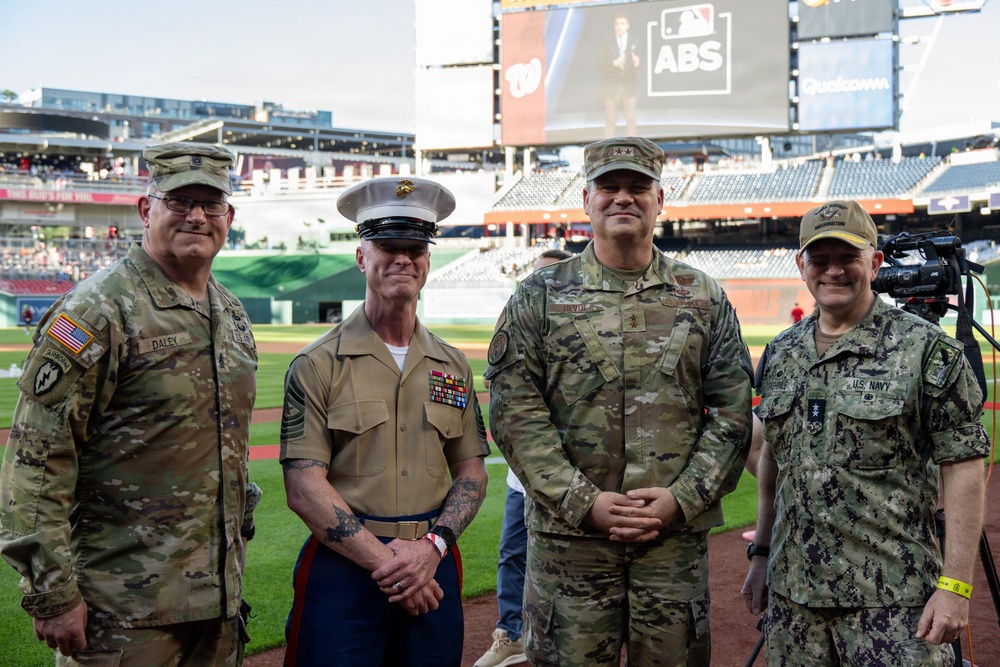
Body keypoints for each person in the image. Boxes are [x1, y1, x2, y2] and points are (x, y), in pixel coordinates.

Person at [485, 137, 753, 666]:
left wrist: (683, 498)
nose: (622, 199)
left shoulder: (702, 296)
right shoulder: (537, 297)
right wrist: (583, 502)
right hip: (570, 545)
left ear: (660, 199)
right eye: (609, 188)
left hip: (670, 543)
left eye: (637, 188)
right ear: (586, 199)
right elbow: (516, 415)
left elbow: (732, 414)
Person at [0, 142, 260, 665]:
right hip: (121, 614)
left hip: (217, 608)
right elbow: (36, 463)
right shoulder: (97, 310)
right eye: (179, 200)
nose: (196, 216)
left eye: (211, 205)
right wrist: (53, 594)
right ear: (147, 210)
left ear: (228, 216)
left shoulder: (230, 312)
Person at [741, 200, 989, 666]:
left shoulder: (925, 349)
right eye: (820, 258)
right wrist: (761, 553)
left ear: (874, 262)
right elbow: (774, 459)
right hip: (794, 602)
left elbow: (964, 466)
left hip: (893, 602)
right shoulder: (780, 352)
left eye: (848, 257)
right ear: (802, 266)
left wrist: (956, 585)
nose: (833, 270)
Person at [280, 176, 490, 667]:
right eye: (387, 246)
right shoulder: (317, 363)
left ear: (428, 260)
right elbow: (303, 486)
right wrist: (392, 565)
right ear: (361, 257)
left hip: (432, 562)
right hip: (345, 569)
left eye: (415, 247)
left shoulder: (452, 365)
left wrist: (430, 550)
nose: (403, 258)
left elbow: (472, 472)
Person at [475, 248, 574, 667]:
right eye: (534, 276)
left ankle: (572, 642)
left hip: (575, 482)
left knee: (573, 563)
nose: (539, 283)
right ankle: (512, 634)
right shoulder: (516, 326)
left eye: (550, 275)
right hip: (523, 480)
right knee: (513, 554)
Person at [599, 14, 640, 139]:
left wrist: (638, 63)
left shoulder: (635, 42)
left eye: (622, 24)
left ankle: (633, 148)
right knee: (610, 121)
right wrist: (613, 64)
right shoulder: (607, 42)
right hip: (611, 87)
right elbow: (599, 64)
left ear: (627, 26)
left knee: (631, 120)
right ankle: (608, 151)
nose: (619, 27)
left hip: (629, 87)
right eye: (617, 24)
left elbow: (643, 64)